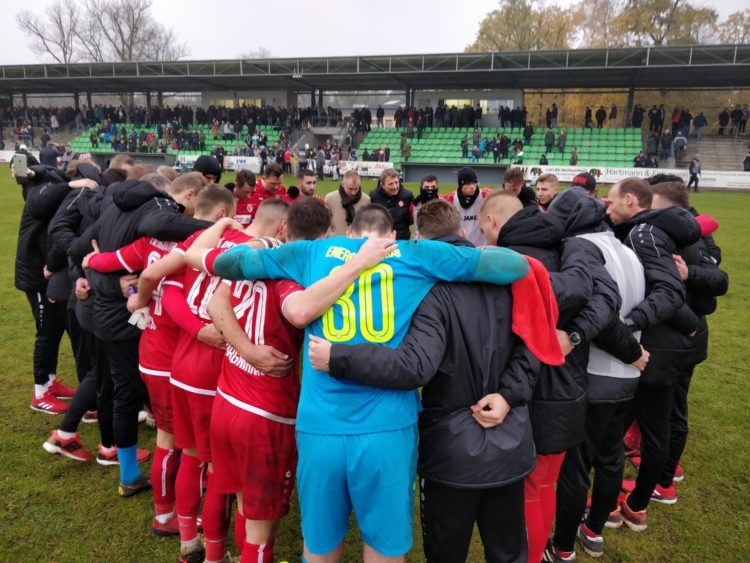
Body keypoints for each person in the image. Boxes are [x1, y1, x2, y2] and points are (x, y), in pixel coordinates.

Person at [212, 205, 531, 563]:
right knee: (384, 549)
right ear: (393, 235)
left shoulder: (310, 251)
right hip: (387, 428)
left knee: (319, 546)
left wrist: (264, 245)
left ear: (348, 234)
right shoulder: (415, 253)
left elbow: (226, 264)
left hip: (321, 427)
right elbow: (514, 267)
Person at [307, 200, 550, 562]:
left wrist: (338, 356)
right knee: (507, 549)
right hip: (508, 444)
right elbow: (536, 342)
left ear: (419, 238)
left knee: (446, 551)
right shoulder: (506, 275)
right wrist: (508, 395)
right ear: (464, 231)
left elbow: (414, 367)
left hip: (452, 451)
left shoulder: (429, 289)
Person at [184, 198, 394, 563]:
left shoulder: (254, 254)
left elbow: (217, 304)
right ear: (327, 236)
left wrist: (244, 350)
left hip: (227, 398)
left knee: (238, 498)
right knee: (261, 526)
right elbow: (299, 311)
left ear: (285, 228)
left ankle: (213, 556)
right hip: (265, 411)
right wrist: (358, 263)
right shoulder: (297, 274)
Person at [479, 192, 620, 563]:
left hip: (530, 395)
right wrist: (573, 334)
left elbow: (603, 299)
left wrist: (567, 333)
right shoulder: (569, 249)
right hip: (566, 392)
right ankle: (538, 551)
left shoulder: (526, 260)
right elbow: (606, 300)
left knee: (526, 490)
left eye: (482, 229)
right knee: (542, 484)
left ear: (493, 223)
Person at [545, 187, 649, 561]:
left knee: (575, 468)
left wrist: (628, 349)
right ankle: (593, 531)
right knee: (609, 458)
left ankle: (562, 546)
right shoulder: (626, 250)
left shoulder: (579, 248)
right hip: (626, 377)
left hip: (596, 373)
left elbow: (602, 313)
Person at [605, 178, 700, 532]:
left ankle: (621, 504)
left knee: (627, 426)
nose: (608, 208)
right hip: (671, 344)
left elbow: (669, 291)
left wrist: (629, 322)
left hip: (655, 348)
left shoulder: (643, 233)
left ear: (630, 200)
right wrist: (692, 325)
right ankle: (635, 504)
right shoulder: (662, 229)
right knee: (650, 426)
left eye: (612, 201)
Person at [442, 167, 493, 246]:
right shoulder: (453, 197)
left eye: (474, 183)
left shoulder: (485, 194)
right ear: (461, 184)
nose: (472, 186)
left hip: (481, 247)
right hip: (461, 246)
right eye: (468, 184)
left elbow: (501, 197)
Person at [369, 168, 414, 240]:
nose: (395, 187)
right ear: (382, 185)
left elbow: (411, 218)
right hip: (380, 238)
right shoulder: (373, 196)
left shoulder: (408, 196)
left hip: (402, 239)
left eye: (396, 182)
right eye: (391, 184)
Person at [325, 170, 371, 237]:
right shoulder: (330, 198)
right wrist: (331, 236)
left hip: (358, 241)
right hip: (336, 241)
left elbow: (368, 222)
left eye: (356, 189)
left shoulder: (366, 199)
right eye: (350, 189)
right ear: (343, 184)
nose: (353, 192)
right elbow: (326, 221)